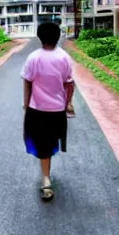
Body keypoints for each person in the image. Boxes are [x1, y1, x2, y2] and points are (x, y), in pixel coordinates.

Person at [22, 22, 75, 201]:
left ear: (39, 36)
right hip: (57, 110)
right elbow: (69, 84)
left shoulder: (33, 58)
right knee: (50, 143)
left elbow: (27, 81)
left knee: (42, 145)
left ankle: (46, 179)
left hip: (37, 110)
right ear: (58, 36)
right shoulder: (64, 58)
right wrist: (68, 103)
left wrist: (26, 104)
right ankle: (46, 176)